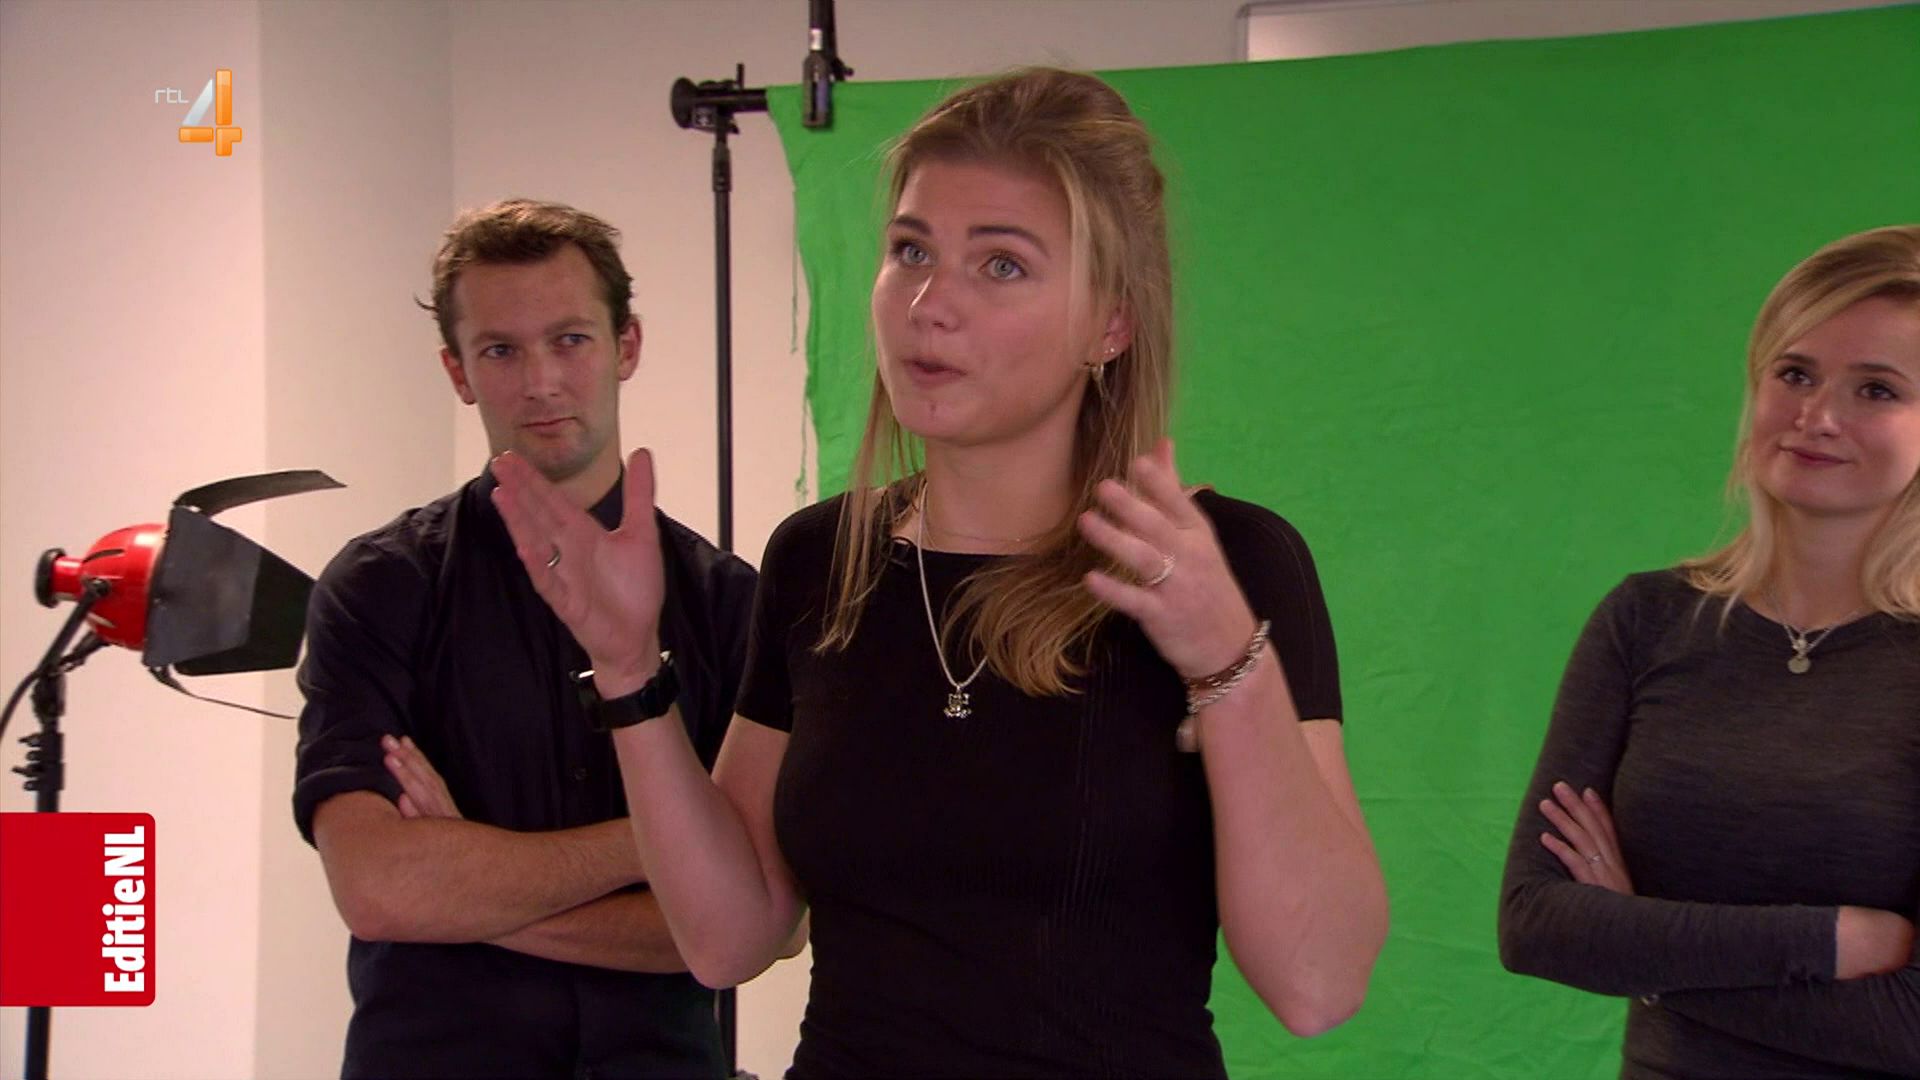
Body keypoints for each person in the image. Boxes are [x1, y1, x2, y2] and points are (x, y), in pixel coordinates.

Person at [489, 69, 1388, 1077]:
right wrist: (627, 671)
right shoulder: (819, 558)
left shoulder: (1228, 565)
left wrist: (1228, 664)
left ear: (1112, 322)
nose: (930, 304)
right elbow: (731, 939)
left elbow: (1318, 983)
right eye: (911, 251)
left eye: (1001, 265)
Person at [293, 198, 757, 1078]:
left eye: (570, 340)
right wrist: (665, 841)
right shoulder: (382, 586)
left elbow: (747, 932)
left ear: (627, 346)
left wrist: (467, 885)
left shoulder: (729, 602)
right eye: (501, 351)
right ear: (458, 371)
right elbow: (380, 887)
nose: (540, 381)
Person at [1498, 224, 1920, 1078]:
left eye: (1876, 389)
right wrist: (1834, 938)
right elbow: (1537, 923)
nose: (1816, 417)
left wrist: (1644, 948)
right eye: (1795, 373)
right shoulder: (1647, 619)